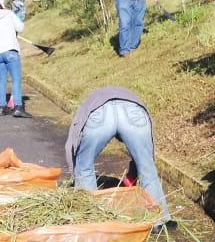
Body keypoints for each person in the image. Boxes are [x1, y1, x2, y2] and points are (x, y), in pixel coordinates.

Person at [64, 87, 176, 232]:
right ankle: (159, 221)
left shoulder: (90, 100)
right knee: (147, 167)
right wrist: (135, 175)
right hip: (133, 112)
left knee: (84, 167)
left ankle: (90, 219)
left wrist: (75, 171)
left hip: (99, 112)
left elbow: (73, 142)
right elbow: (144, 159)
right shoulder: (130, 96)